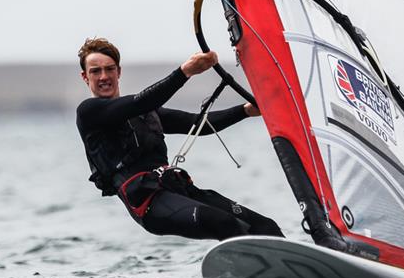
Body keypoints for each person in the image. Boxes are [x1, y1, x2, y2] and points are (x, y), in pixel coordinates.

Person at [76, 37, 283, 240]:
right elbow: (140, 102)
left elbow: (197, 124)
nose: (104, 76)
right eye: (96, 71)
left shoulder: (146, 114)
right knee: (222, 222)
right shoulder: (88, 112)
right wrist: (185, 72)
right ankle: (247, 271)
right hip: (149, 205)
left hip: (177, 190)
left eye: (109, 69)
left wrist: (245, 111)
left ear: (118, 72)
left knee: (265, 225)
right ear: (85, 77)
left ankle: (295, 269)